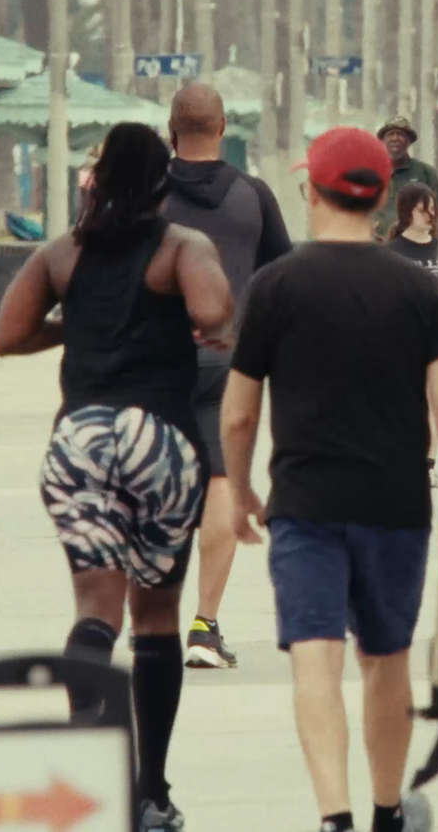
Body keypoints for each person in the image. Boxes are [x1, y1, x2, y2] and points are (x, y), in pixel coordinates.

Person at [0, 122, 235, 832]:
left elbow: (8, 336)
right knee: (155, 617)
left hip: (82, 439)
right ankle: (150, 792)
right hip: (157, 436)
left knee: (93, 613)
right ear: (162, 183)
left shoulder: (63, 253)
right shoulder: (180, 247)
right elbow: (213, 311)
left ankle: (90, 776)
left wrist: (80, 327)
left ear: (95, 180)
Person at [220, 127, 438, 832]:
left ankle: (335, 818)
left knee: (316, 663)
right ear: (383, 197)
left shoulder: (275, 286)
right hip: (396, 505)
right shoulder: (417, 291)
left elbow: (238, 417)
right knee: (386, 659)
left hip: (304, 507)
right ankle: (388, 812)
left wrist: (239, 493)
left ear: (311, 190)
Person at [160, 83, 293, 672]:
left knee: (149, 482)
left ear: (171, 130)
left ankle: (152, 620)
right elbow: (280, 281)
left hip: (153, 359)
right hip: (227, 361)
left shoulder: (141, 195)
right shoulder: (254, 195)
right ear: (221, 129)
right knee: (220, 482)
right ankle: (203, 627)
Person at [373, 115, 438, 240]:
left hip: (414, 244)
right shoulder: (372, 172)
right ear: (383, 140)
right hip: (379, 244)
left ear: (409, 142)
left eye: (400, 135)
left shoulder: (425, 173)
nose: (395, 138)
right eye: (390, 134)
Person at [384, 183, 438, 279]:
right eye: (422, 210)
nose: (429, 215)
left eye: (432, 208)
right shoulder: (391, 253)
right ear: (406, 212)